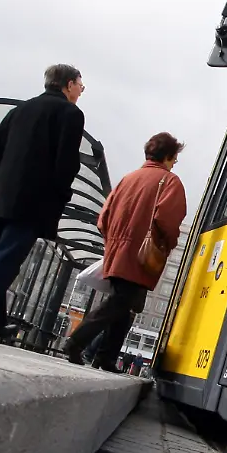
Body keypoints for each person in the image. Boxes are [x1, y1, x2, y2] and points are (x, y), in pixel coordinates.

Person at [0, 64, 86, 342]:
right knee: (7, 258)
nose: (82, 91)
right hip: (37, 200)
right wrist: (60, 193)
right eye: (80, 85)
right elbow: (67, 161)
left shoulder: (18, 111)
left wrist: (8, 181)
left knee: (1, 253)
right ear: (68, 84)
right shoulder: (70, 113)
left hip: (7, 196)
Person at [60, 132, 186, 372]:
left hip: (117, 250)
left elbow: (103, 219)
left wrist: (115, 242)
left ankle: (106, 358)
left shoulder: (127, 179)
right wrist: (168, 244)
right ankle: (76, 342)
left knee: (126, 304)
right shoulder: (170, 182)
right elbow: (168, 221)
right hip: (140, 254)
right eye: (174, 158)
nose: (175, 163)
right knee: (120, 302)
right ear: (168, 156)